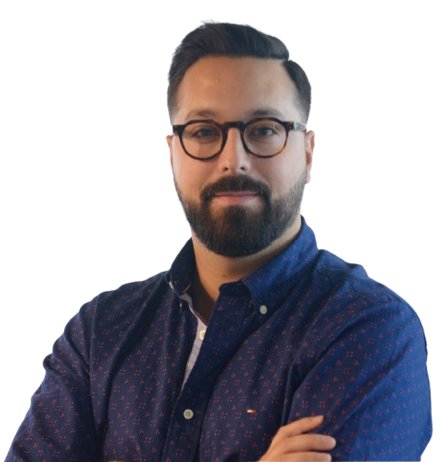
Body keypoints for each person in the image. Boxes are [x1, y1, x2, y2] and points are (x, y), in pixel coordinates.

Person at [7, 22, 431, 462]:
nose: (234, 159)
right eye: (204, 131)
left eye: (264, 129)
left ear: (307, 154)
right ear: (173, 153)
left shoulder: (368, 331)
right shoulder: (100, 333)